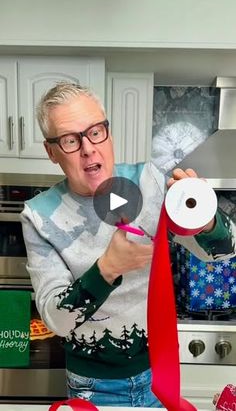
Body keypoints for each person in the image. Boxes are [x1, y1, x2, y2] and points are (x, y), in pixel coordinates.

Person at [20, 82, 236, 408]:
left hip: (159, 374)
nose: (88, 148)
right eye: (69, 140)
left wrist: (204, 220)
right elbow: (56, 320)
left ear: (109, 134)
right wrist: (108, 268)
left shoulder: (150, 182)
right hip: (92, 387)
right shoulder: (38, 216)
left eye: (96, 132)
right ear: (52, 152)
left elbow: (223, 249)